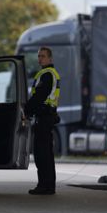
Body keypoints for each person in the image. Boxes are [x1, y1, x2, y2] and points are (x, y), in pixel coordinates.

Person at [24, 46, 61, 195]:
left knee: (41, 153)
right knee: (47, 153)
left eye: (43, 56)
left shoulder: (47, 74)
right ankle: (48, 185)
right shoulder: (48, 73)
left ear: (50, 59)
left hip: (44, 117)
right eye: (39, 56)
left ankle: (44, 186)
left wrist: (26, 110)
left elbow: (39, 96)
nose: (40, 59)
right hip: (47, 116)